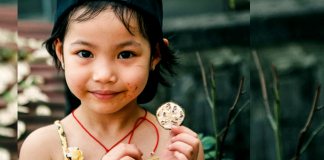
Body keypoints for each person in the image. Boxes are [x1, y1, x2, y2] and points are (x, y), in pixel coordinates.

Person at [20, 0, 205, 160]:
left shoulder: (178, 147)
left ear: (156, 54)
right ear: (60, 52)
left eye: (125, 54)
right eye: (85, 53)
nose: (104, 76)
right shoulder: (42, 148)